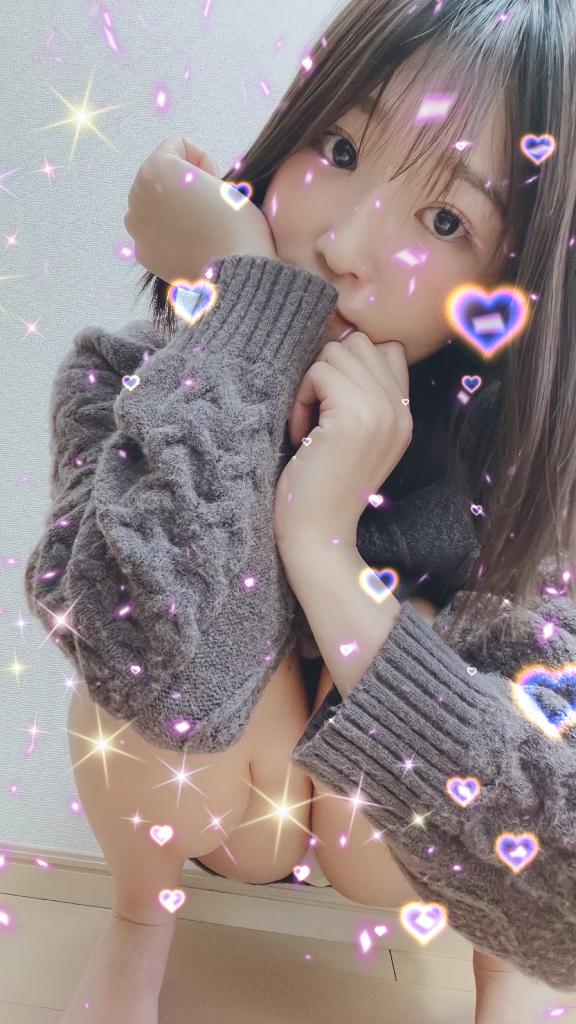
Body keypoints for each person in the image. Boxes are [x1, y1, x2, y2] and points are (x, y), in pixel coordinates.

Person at [25, 1, 576, 1022]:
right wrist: (245, 327)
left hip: (390, 841)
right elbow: (146, 665)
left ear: (513, 281)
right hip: (238, 806)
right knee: (128, 648)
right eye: (341, 148)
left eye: (446, 220)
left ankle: (502, 976)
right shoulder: (132, 377)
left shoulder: (527, 480)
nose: (345, 243)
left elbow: (563, 869)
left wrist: (324, 546)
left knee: (458, 652)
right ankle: (140, 921)